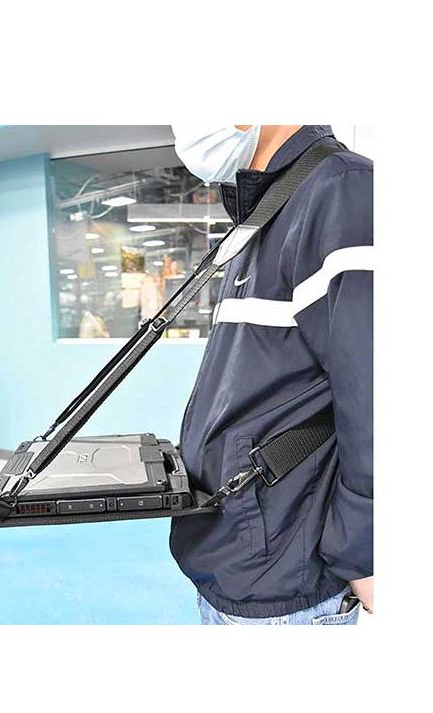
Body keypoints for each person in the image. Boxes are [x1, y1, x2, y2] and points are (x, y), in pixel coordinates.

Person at [169, 125, 373, 625]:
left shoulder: (343, 191)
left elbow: (376, 393)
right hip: (234, 559)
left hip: (287, 577)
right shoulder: (266, 213)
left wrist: (366, 552)